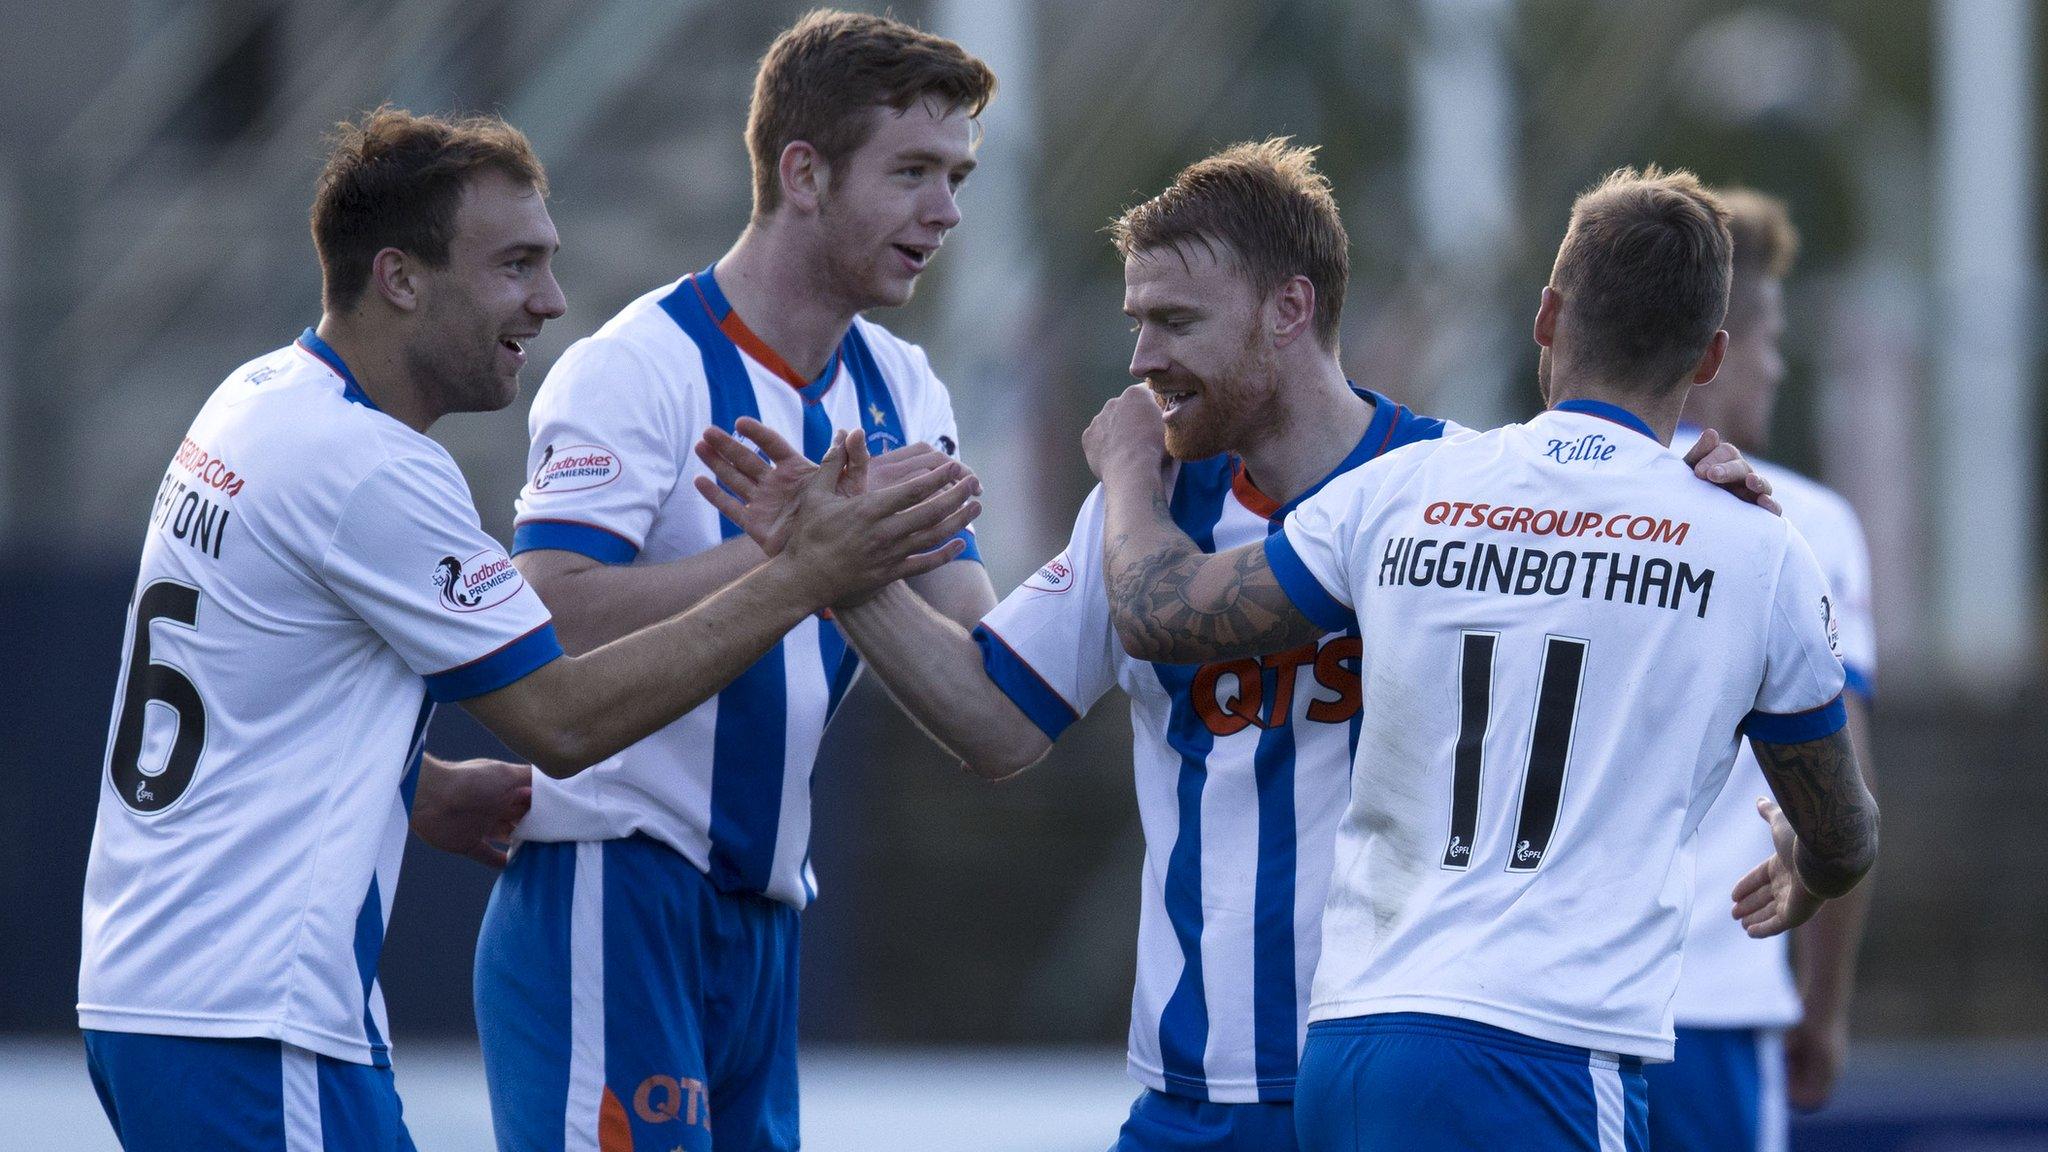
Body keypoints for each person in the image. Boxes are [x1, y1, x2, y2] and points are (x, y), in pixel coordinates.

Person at [693, 142, 1774, 1152]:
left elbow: (1636, 589)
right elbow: (993, 721)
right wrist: (828, 574)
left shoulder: (1459, 493)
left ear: (1286, 311)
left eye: (1173, 322)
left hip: (1413, 1070)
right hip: (1199, 1094)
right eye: (1136, 322)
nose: (1141, 360)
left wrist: (1688, 481)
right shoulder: (1142, 517)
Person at [75, 107, 975, 1152]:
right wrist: (806, 569)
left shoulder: (257, 398)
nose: (548, 302)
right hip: (251, 1019)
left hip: (162, 991)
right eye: (513, 267)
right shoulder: (377, 470)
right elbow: (559, 719)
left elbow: (247, 680)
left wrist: (417, 785)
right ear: (400, 277)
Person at [1082, 167, 1879, 1150]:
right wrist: (1805, 867)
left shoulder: (1410, 487)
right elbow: (1844, 834)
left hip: (1353, 1046)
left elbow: (1160, 613)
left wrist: (1128, 476)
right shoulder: (1756, 544)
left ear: (1545, 319)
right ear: (1708, 356)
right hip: (1544, 1050)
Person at [473, 11, 999, 1151]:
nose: (944, 211)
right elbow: (544, 610)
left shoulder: (905, 390)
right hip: (613, 892)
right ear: (801, 173)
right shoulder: (636, 367)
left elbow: (976, 662)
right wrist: (793, 552)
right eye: (910, 172)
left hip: (764, 922)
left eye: (953, 176)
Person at [1644, 187, 1881, 1151]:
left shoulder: (1533, 502)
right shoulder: (1804, 523)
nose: (1779, 369)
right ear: (1720, 349)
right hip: (1713, 992)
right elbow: (1841, 788)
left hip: (1547, 1007)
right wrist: (1824, 1008)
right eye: (1772, 337)